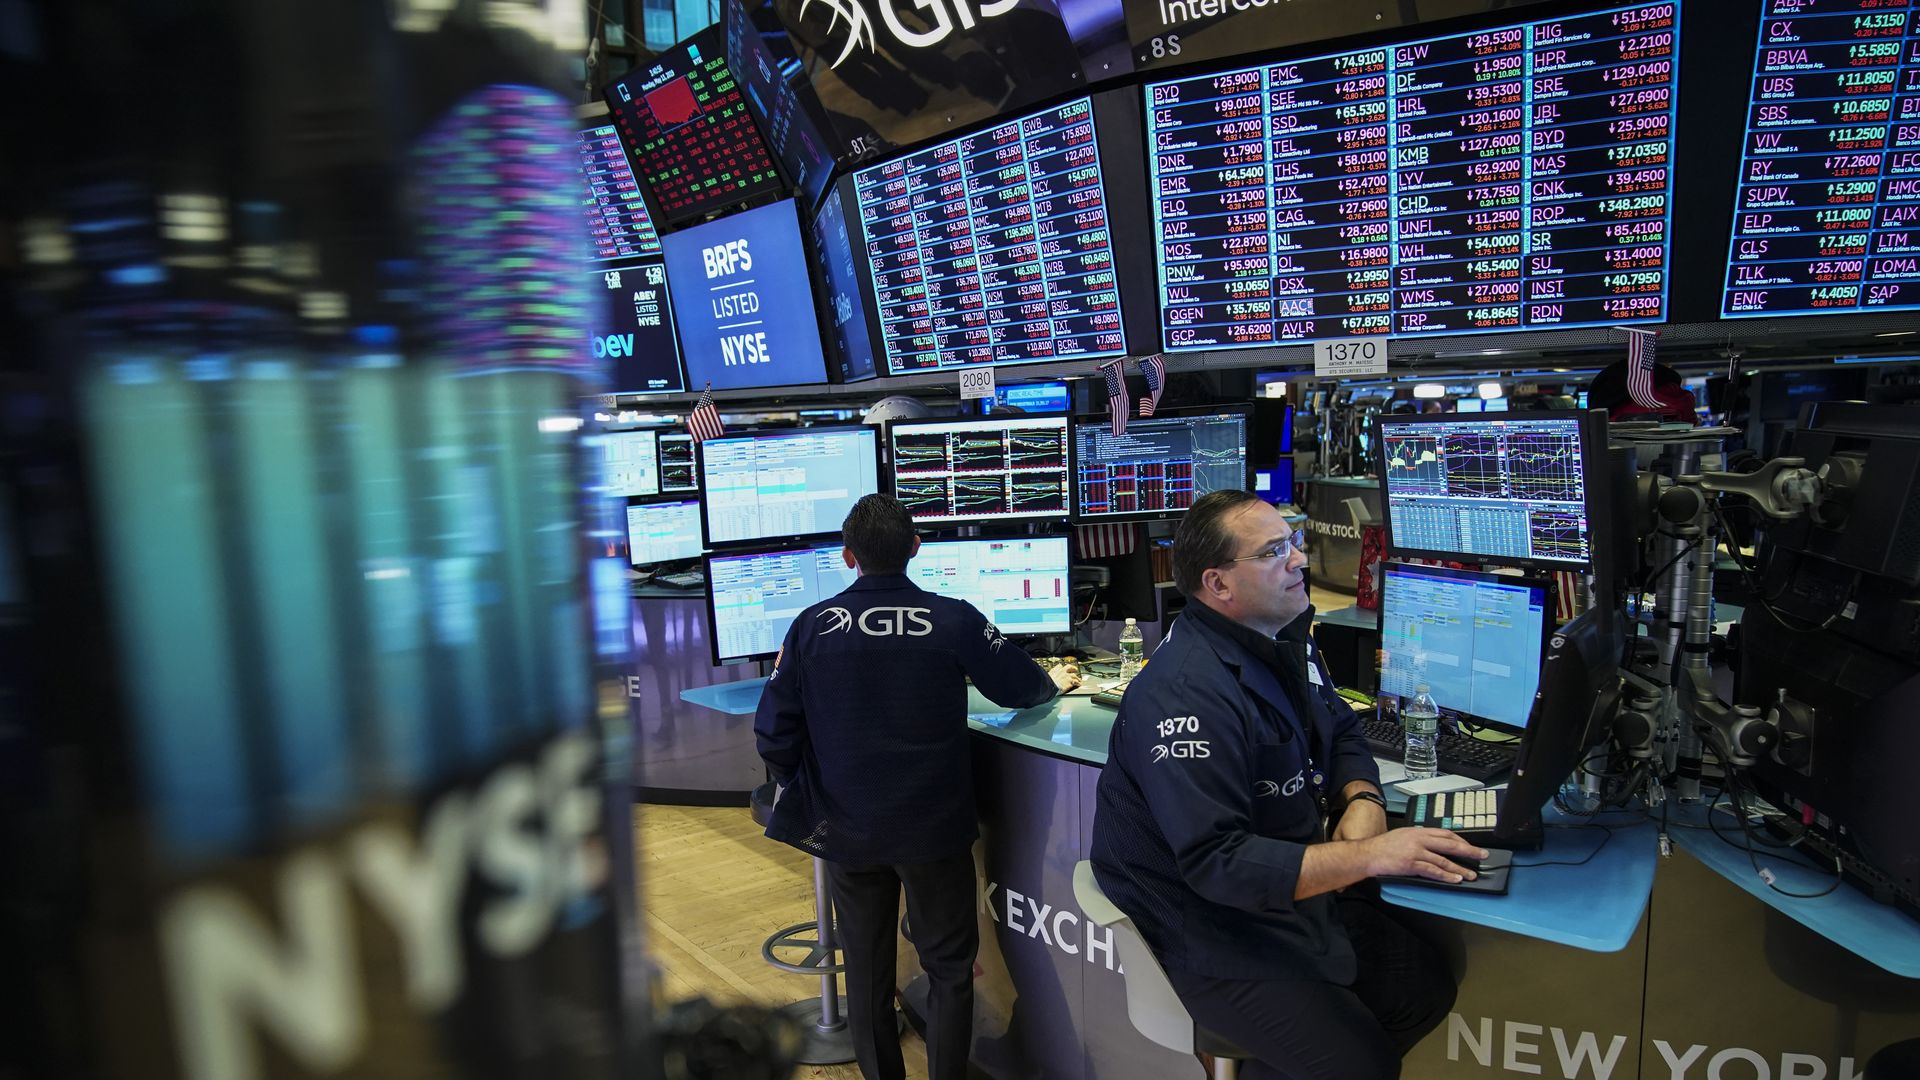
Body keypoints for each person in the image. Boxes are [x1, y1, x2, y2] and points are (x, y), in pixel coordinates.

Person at [1090, 490, 1482, 1080]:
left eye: (1293, 541)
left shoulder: (1284, 638)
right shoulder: (1186, 693)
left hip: (1282, 902)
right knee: (1361, 1064)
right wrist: (1370, 857)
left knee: (1422, 987)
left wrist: (1362, 796)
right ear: (1218, 584)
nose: (1299, 560)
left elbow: (1343, 728)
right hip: (1206, 928)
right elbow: (1218, 865)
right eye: (1275, 551)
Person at [755, 494, 1080, 1080]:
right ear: (915, 549)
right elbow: (1024, 688)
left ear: (847, 556)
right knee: (951, 969)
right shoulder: (952, 617)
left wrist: (804, 789)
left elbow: (775, 733)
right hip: (934, 829)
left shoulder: (810, 626)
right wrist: (1053, 680)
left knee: (868, 970)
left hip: (847, 827)